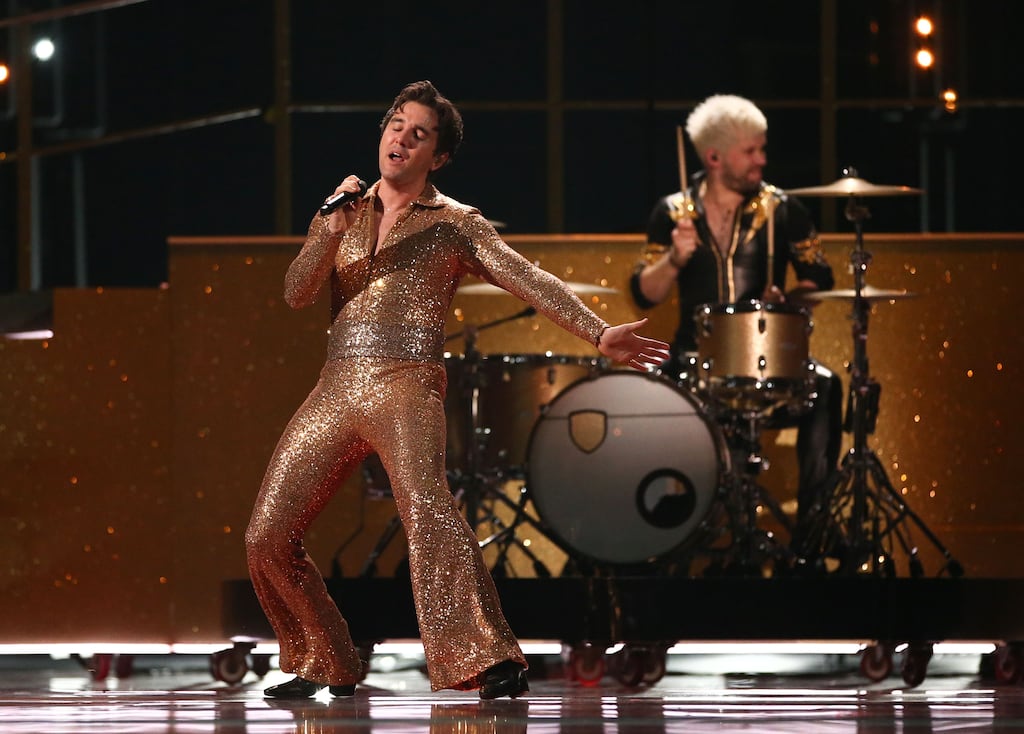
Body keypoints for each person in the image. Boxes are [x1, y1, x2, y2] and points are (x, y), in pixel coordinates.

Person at [245, 80, 670, 700]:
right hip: (336, 387)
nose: (402, 138)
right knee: (265, 534)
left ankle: (489, 657)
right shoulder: (342, 211)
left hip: (407, 383)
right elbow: (296, 292)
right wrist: (329, 227)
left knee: (426, 509)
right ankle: (323, 658)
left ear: (437, 157)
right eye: (396, 125)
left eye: (419, 134)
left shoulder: (453, 223)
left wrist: (598, 332)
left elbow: (524, 275)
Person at [629, 94, 843, 558]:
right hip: (695, 359)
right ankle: (665, 540)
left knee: (826, 387)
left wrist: (789, 296)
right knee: (648, 391)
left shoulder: (783, 209)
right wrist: (674, 257)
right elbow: (646, 292)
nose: (761, 160)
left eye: (761, 149)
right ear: (714, 157)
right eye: (751, 151)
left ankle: (814, 529)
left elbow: (821, 277)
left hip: (767, 358)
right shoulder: (672, 213)